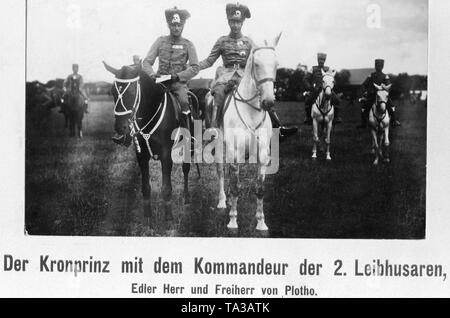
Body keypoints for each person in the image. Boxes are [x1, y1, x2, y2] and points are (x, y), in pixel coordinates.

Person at [198, 2, 297, 138]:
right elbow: (210, 60)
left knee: (263, 93)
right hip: (225, 75)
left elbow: (259, 59)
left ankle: (277, 126)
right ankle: (214, 128)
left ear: (242, 22)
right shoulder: (222, 41)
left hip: (244, 76)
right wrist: (195, 67)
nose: (235, 25)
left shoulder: (249, 42)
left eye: (238, 22)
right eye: (233, 22)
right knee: (219, 93)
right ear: (228, 22)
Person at [142, 7, 199, 136]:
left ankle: (188, 137)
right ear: (169, 25)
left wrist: (178, 76)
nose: (176, 28)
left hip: (177, 84)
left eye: (179, 25)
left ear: (183, 26)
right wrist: (152, 74)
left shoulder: (188, 44)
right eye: (173, 25)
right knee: (144, 103)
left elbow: (195, 67)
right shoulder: (160, 41)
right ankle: (141, 136)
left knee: (184, 102)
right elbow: (146, 62)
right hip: (159, 83)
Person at [358, 59, 401, 128]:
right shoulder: (371, 75)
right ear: (375, 66)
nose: (378, 67)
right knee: (364, 107)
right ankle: (363, 123)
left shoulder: (385, 76)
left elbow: (388, 86)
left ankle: (394, 121)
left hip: (382, 96)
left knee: (391, 106)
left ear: (382, 67)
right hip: (372, 95)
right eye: (377, 66)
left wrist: (385, 90)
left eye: (380, 66)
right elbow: (364, 84)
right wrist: (365, 92)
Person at [303, 53, 342, 125]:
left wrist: (331, 85)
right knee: (308, 100)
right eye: (320, 59)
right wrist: (310, 87)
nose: (321, 61)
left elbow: (333, 79)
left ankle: (336, 117)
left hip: (327, 88)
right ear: (317, 60)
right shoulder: (313, 69)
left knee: (337, 100)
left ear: (325, 60)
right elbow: (305, 79)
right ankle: (308, 117)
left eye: (323, 60)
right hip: (316, 89)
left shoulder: (328, 69)